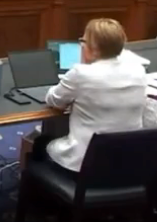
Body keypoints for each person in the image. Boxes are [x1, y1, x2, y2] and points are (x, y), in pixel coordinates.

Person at [40, 18, 146, 173]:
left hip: (85, 166)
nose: (81, 45)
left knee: (40, 143)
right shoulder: (138, 70)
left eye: (83, 41)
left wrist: (83, 66)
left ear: (94, 48)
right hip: (125, 163)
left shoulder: (81, 73)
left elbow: (54, 100)